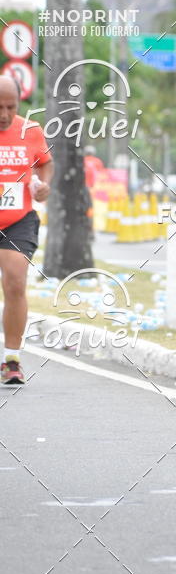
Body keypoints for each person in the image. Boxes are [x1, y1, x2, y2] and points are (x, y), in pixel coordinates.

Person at [0, 76, 53, 385]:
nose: (4, 114)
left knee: (15, 281)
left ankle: (12, 360)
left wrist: (44, 184)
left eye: (11, 107)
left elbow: (45, 162)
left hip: (18, 219)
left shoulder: (30, 130)